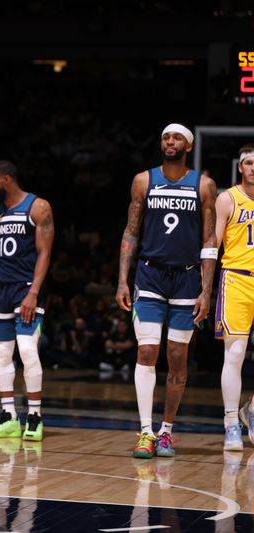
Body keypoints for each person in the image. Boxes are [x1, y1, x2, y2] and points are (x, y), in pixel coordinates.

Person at [116, 123, 217, 459]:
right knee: (147, 353)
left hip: (187, 280)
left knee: (177, 358)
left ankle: (166, 432)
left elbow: (209, 241)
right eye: (165, 137)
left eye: (176, 138)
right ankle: (145, 431)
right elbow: (131, 232)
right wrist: (122, 280)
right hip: (150, 276)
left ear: (187, 145)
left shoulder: (203, 184)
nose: (170, 142)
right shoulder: (144, 180)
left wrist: (207, 290)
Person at [0, 160, 54, 442]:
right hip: (1, 290)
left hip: (27, 288)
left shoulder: (38, 207)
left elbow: (44, 253)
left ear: (7, 180)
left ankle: (34, 415)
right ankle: (9, 416)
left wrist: (34, 292)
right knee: (1, 353)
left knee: (27, 350)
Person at [214, 143, 254, 450]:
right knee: (235, 353)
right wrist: (202, 287)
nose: (253, 168)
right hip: (236, 279)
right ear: (240, 167)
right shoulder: (227, 199)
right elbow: (213, 245)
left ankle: (250, 410)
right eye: (249, 163)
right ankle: (231, 424)